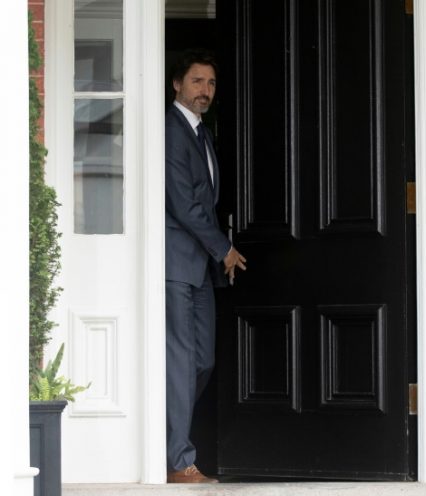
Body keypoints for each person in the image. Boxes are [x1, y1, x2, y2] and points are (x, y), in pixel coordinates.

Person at [165, 49, 246, 484]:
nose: (205, 90)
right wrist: (223, 248)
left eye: (211, 83)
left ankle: (164, 437)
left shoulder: (202, 133)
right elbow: (182, 202)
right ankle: (179, 460)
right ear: (177, 84)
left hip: (199, 269)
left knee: (203, 362)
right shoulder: (170, 130)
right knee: (181, 363)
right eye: (197, 81)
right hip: (177, 264)